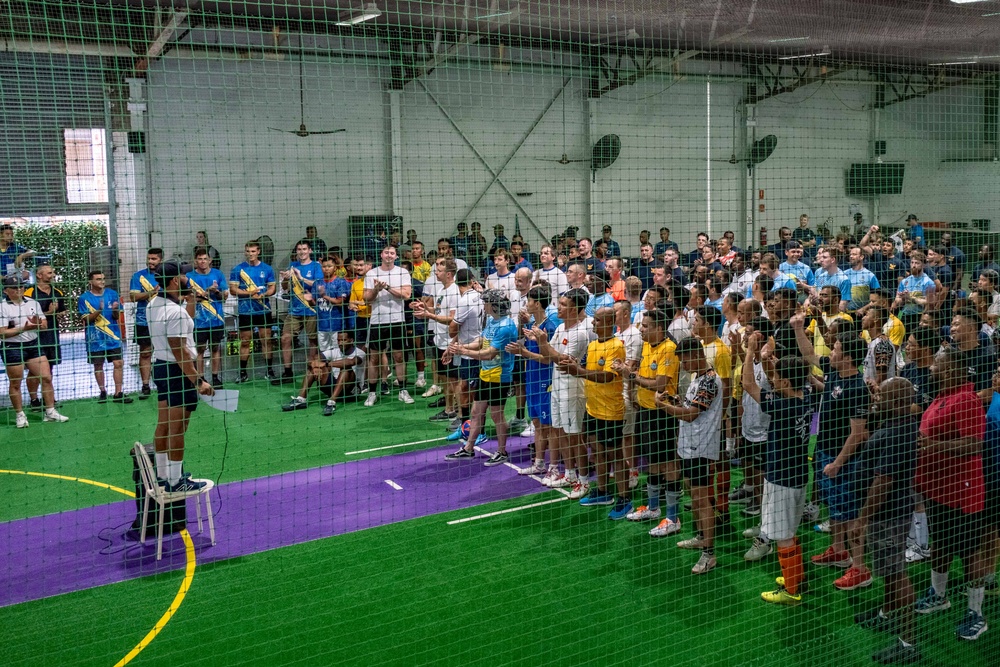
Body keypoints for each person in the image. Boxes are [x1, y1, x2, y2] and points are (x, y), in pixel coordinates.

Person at [914, 346, 990, 641]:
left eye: (936, 364)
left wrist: (934, 446)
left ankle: (976, 614)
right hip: (938, 489)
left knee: (970, 552)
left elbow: (974, 444)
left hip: (961, 492)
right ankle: (939, 595)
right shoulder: (942, 397)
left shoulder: (966, 400)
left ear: (950, 370)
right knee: (941, 545)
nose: (931, 368)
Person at [792, 317, 873, 590]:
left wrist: (838, 462)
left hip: (844, 460)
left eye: (836, 349)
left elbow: (859, 433)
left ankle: (860, 567)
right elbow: (809, 354)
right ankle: (839, 550)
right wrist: (795, 327)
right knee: (835, 508)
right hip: (826, 452)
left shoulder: (857, 388)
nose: (831, 352)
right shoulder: (836, 374)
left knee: (850, 512)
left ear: (848, 358)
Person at [852, 377, 922, 663]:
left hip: (887, 514)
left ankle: (908, 643)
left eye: (881, 395)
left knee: (896, 572)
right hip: (890, 512)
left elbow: (883, 481)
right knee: (888, 568)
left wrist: (862, 520)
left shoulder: (897, 433)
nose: (876, 398)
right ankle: (887, 612)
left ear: (896, 401)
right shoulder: (896, 423)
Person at [742, 338, 813, 605]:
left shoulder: (781, 405)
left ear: (784, 382)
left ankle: (791, 592)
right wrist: (776, 366)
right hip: (797, 476)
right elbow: (786, 379)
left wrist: (750, 351)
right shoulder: (805, 395)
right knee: (790, 531)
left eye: (778, 377)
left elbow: (748, 384)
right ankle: (794, 576)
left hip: (781, 478)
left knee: (782, 536)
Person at [658, 336, 724, 575]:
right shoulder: (700, 379)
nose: (683, 365)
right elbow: (690, 407)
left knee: (701, 499)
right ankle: (700, 536)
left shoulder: (709, 381)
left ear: (695, 355)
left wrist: (664, 407)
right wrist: (675, 401)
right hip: (690, 447)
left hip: (700, 448)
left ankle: (709, 553)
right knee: (695, 496)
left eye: (684, 360)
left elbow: (690, 415)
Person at [147, 261, 215, 492]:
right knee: (178, 427)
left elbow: (185, 325)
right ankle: (176, 482)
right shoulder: (173, 311)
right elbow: (180, 351)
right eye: (184, 275)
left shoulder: (154, 303)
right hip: (178, 371)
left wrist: (192, 302)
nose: (188, 278)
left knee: (164, 423)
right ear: (176, 280)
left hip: (161, 368)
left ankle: (163, 476)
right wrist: (198, 381)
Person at [560, 307, 630, 518]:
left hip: (610, 410)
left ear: (610, 322)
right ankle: (602, 491)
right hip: (593, 407)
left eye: (598, 321)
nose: (593, 324)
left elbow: (607, 376)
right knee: (597, 451)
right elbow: (585, 367)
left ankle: (624, 497)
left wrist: (579, 371)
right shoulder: (592, 345)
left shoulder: (616, 346)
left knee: (615, 454)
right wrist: (573, 365)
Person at [528, 288, 595, 495]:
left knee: (575, 437)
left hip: (572, 390)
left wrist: (542, 343)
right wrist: (535, 346)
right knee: (560, 432)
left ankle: (584, 481)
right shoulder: (560, 329)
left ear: (575, 309)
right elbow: (549, 357)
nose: (559, 307)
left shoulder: (580, 333)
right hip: (556, 387)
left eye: (564, 304)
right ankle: (569, 473)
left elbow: (562, 360)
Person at [444, 289, 519, 465]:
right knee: (476, 412)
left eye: (486, 303)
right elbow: (481, 341)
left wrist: (463, 350)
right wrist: (460, 347)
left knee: (496, 415)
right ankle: (468, 448)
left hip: (499, 377)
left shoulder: (505, 327)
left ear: (494, 306)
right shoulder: (493, 321)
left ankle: (502, 451)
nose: (483, 305)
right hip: (486, 375)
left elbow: (489, 354)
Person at [1, 276, 68, 428]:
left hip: (33, 344)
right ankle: (20, 415)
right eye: (14, 288)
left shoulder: (32, 303)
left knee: (46, 377)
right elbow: (2, 333)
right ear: (6, 290)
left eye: (21, 287)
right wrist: (24, 328)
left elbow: (43, 323)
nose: (19, 290)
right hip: (12, 347)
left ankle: (50, 412)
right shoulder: (2, 307)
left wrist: (38, 324)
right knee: (15, 382)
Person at [508, 284, 559, 477]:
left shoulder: (550, 325)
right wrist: (523, 325)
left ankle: (553, 466)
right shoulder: (532, 324)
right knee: (537, 423)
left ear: (537, 303)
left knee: (550, 426)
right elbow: (523, 339)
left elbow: (548, 359)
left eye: (529, 300)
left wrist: (523, 352)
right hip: (532, 379)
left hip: (546, 381)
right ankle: (539, 463)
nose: (526, 303)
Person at [363, 246, 413, 405]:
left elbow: (406, 295)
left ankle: (403, 390)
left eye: (392, 253)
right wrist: (376, 290)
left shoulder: (403, 272)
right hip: (377, 321)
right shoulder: (371, 273)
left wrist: (387, 288)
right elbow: (366, 299)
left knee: (399, 356)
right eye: (386, 252)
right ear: (381, 255)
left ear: (396, 256)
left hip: (398, 321)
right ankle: (372, 393)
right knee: (374, 358)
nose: (389, 255)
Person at [282, 330, 366, 416]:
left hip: (351, 391)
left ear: (351, 340)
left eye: (343, 340)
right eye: (338, 340)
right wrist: (315, 365)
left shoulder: (360, 353)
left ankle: (332, 402)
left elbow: (350, 362)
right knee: (312, 368)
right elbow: (315, 357)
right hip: (335, 386)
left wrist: (326, 364)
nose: (340, 343)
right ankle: (301, 399)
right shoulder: (335, 351)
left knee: (346, 368)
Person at [274, 240, 322, 384]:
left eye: (304, 249)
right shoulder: (292, 266)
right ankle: (288, 372)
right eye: (299, 249)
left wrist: (301, 278)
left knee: (313, 341)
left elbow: (319, 285)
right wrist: (285, 279)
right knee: (285, 338)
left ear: (310, 251)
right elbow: (286, 288)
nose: (301, 252)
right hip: (294, 310)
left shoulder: (316, 266)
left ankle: (311, 370)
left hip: (311, 310)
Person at [229, 241, 278, 383]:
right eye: (248, 251)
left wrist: (264, 295)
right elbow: (233, 290)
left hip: (263, 310)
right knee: (245, 342)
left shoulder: (267, 269)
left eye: (253, 251)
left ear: (258, 252)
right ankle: (243, 373)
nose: (250, 254)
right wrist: (250, 293)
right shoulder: (238, 269)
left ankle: (269, 371)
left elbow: (272, 288)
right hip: (245, 312)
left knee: (267, 341)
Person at [79, 270, 130, 403]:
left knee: (118, 363)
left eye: (103, 278)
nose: (101, 281)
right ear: (90, 282)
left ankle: (118, 393)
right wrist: (99, 310)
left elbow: (116, 316)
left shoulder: (112, 294)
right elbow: (87, 319)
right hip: (95, 338)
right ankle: (102, 391)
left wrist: (114, 310)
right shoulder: (84, 298)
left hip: (113, 337)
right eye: (98, 279)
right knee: (98, 365)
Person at [23, 264, 66, 411]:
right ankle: (34, 399)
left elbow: (61, 310)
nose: (53, 275)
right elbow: (27, 316)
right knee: (34, 370)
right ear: (39, 275)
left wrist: (59, 313)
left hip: (52, 335)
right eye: (49, 273)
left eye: (53, 272)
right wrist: (48, 313)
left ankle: (49, 397)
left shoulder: (57, 292)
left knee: (49, 369)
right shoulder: (29, 292)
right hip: (34, 337)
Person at [187, 247, 229, 388]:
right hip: (198, 322)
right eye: (200, 259)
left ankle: (215, 378)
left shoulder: (218, 274)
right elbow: (188, 299)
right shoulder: (189, 277)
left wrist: (216, 291)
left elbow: (225, 296)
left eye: (205, 259)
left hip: (217, 320)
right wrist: (206, 292)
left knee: (215, 348)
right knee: (199, 350)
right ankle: (201, 378)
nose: (203, 261)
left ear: (210, 261)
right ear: (195, 261)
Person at [129, 248, 164, 400]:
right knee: (145, 353)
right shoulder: (138, 276)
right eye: (149, 258)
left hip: (165, 320)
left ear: (160, 260)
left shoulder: (167, 276)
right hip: (144, 321)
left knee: (168, 352)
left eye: (154, 259)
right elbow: (133, 297)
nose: (150, 261)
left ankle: (165, 383)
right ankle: (145, 386)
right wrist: (150, 293)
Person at [814, 247, 852, 313]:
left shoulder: (843, 279)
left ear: (832, 260)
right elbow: (817, 299)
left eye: (824, 257)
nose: (821, 260)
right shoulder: (821, 276)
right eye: (821, 257)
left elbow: (842, 305)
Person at [844, 245, 880, 313]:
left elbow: (877, 298)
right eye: (850, 254)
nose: (851, 256)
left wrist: (864, 309)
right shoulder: (843, 274)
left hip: (861, 314)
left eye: (854, 254)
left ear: (861, 257)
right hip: (845, 314)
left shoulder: (870, 275)